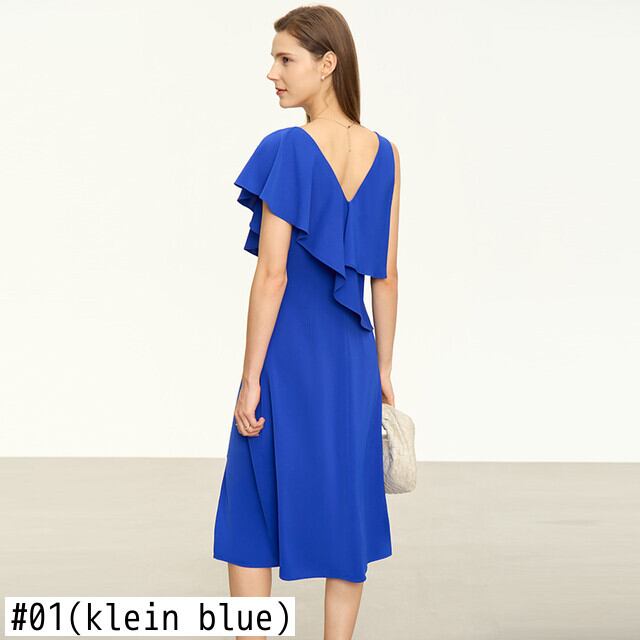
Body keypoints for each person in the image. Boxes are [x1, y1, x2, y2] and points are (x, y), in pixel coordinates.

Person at [212, 6, 400, 639]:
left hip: (287, 355)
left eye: (285, 59)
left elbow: (273, 275)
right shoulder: (385, 154)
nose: (272, 73)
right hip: (351, 359)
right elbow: (386, 275)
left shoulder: (287, 148)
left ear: (327, 64)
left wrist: (250, 378)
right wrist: (382, 370)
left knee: (251, 505)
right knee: (345, 503)